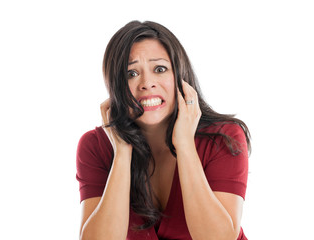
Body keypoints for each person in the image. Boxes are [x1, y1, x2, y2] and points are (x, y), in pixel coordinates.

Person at [76, 20, 251, 240]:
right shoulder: (95, 146)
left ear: (181, 78)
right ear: (115, 87)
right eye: (131, 73)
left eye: (160, 69)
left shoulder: (224, 137)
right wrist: (121, 153)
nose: (147, 83)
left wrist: (185, 144)